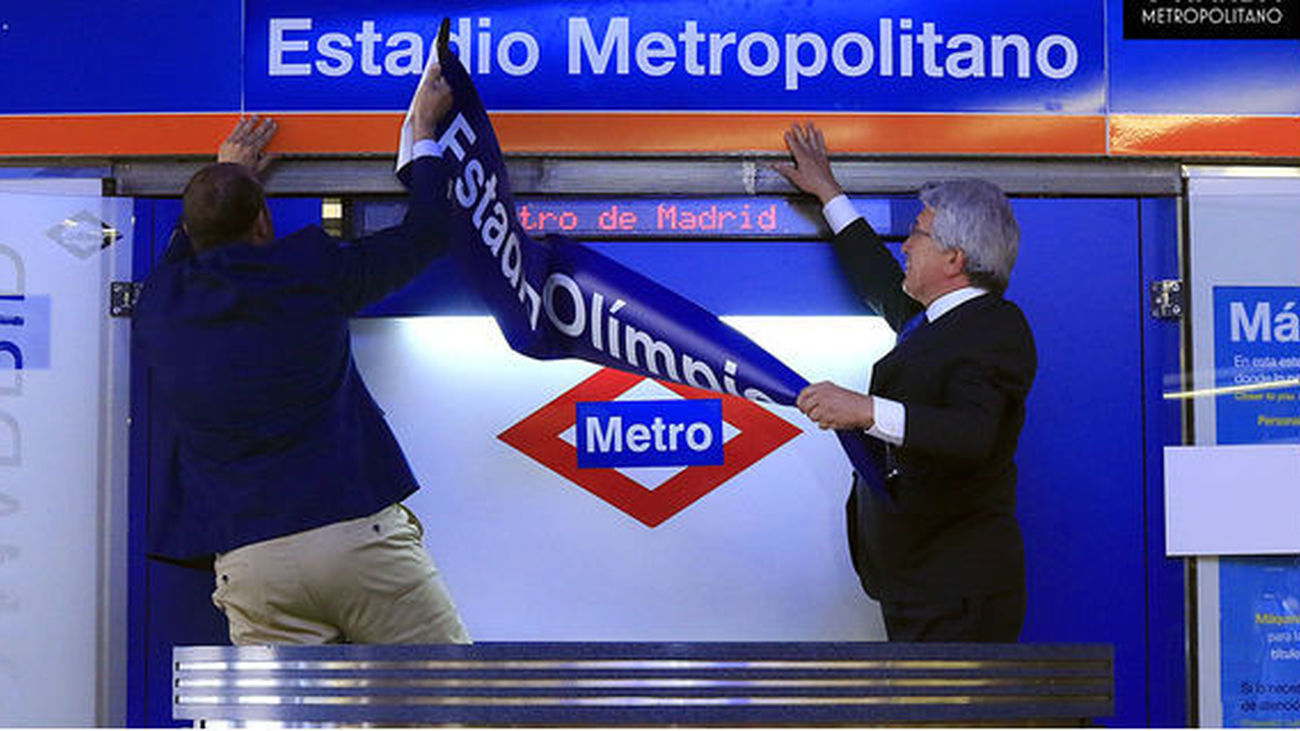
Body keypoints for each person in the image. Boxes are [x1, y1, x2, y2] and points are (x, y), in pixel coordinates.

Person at [133, 67, 470, 645]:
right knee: (446, 705)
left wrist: (228, 178)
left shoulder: (161, 303)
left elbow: (185, 251)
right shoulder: (312, 271)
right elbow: (428, 234)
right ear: (264, 219)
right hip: (357, 542)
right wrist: (423, 132)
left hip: (253, 561)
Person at [776, 123, 1037, 642]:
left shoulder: (997, 326)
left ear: (954, 258)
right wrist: (830, 194)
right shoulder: (928, 322)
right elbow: (877, 277)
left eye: (916, 233)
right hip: (918, 585)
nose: (904, 246)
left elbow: (970, 434)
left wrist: (866, 410)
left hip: (959, 594)